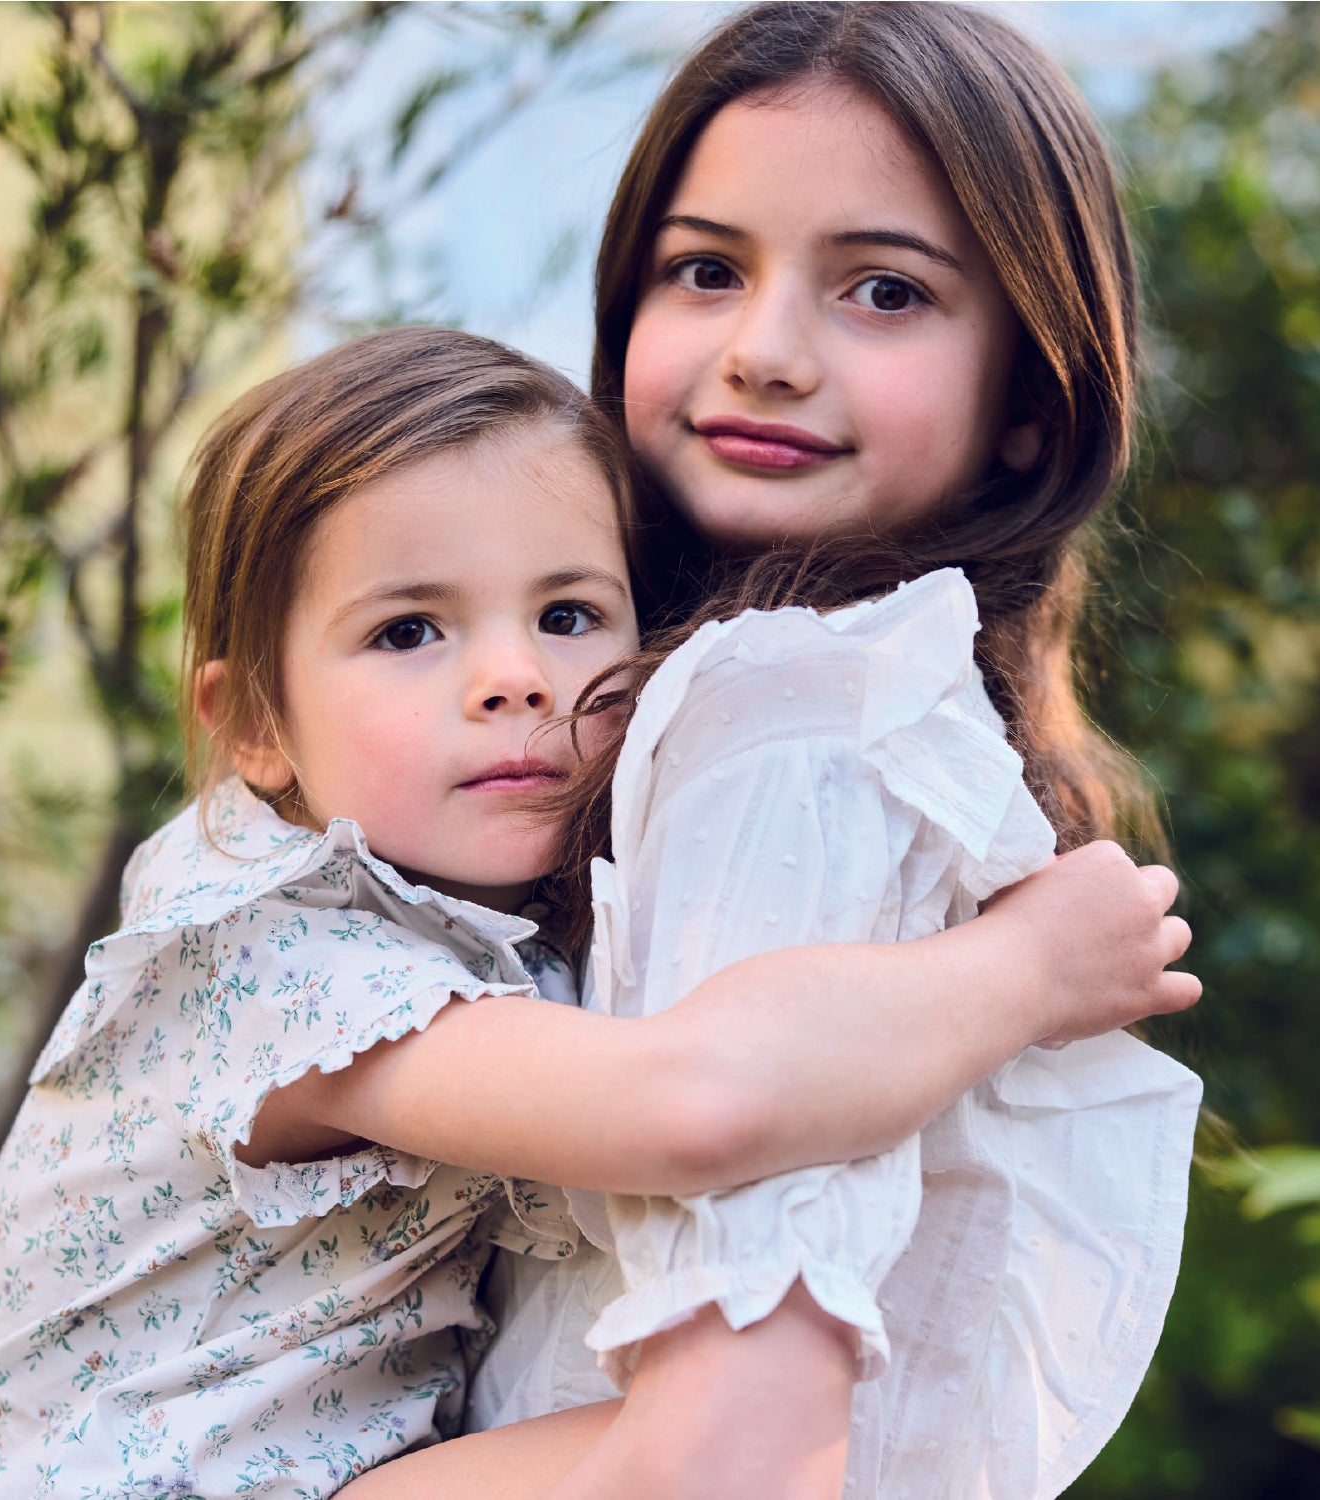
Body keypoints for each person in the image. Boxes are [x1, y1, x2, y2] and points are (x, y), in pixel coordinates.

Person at [0, 327, 1190, 1499]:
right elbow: (697, 1104)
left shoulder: (465, 913)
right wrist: (1026, 968)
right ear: (254, 724)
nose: (517, 678)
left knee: (862, 1418)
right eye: (410, 632)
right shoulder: (274, 952)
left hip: (318, 1465)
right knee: (730, 1449)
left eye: (569, 616)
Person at [357, 4, 1205, 1498]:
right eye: (706, 270)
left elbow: (722, 1463)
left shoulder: (790, 719)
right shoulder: (873, 729)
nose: (764, 352)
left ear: (1029, 398)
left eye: (883, 290)